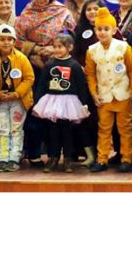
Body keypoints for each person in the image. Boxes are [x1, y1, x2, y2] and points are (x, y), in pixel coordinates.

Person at [15, 0, 75, 167]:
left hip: (58, 67)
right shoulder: (26, 14)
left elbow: (70, 34)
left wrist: (53, 49)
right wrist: (35, 49)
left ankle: (56, 154)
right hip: (32, 67)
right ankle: (33, 153)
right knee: (36, 109)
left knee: (58, 111)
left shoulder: (63, 12)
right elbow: (17, 40)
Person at [85, 7, 132, 173]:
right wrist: (94, 94)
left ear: (114, 30)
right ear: (95, 31)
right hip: (104, 96)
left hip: (123, 94)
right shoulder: (91, 50)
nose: (103, 32)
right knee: (104, 129)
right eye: (99, 29)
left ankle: (126, 158)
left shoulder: (124, 47)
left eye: (106, 29)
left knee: (125, 128)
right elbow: (91, 75)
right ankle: (102, 160)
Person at [72, 0, 123, 167]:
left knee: (115, 121)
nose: (92, 12)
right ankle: (94, 153)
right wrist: (82, 67)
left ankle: (120, 153)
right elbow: (75, 53)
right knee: (92, 119)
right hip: (88, 81)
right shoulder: (79, 30)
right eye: (89, 9)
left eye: (96, 8)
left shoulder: (114, 30)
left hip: (112, 84)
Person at [0, 24, 35, 172]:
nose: (6, 42)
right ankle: (3, 158)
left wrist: (17, 93)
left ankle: (14, 157)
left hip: (18, 100)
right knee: (3, 129)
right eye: (2, 39)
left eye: (9, 39)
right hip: (0, 101)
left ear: (14, 41)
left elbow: (29, 78)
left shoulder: (21, 58)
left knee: (16, 129)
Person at [33, 32, 90, 173]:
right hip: (52, 100)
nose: (57, 49)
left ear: (70, 47)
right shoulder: (49, 64)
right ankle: (53, 158)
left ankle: (68, 159)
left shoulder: (75, 65)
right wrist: (37, 100)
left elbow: (81, 86)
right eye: (55, 46)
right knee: (52, 132)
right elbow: (42, 84)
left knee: (67, 132)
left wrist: (84, 103)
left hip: (69, 102)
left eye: (60, 47)